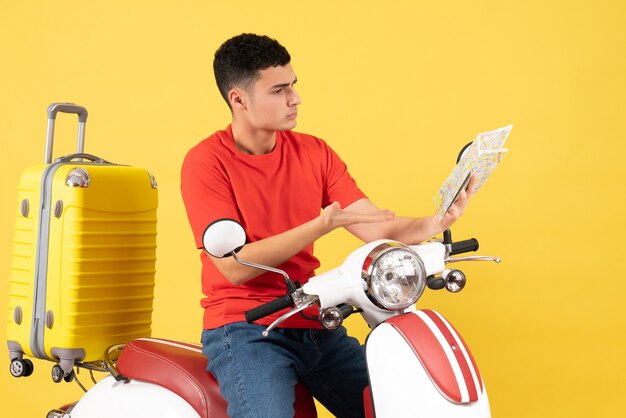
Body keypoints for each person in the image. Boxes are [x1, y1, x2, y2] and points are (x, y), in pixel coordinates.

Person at [180, 33, 475, 418]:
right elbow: (234, 267)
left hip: (316, 316)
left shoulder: (314, 152)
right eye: (279, 90)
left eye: (294, 86)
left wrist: (436, 220)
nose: (295, 99)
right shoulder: (206, 163)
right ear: (239, 99)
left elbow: (374, 226)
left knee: (398, 405)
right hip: (245, 329)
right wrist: (320, 226)